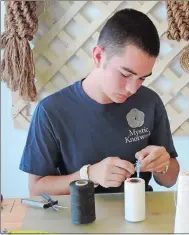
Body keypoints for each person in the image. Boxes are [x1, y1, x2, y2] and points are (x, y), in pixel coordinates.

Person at [19, 8, 180, 196]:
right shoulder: (51, 111)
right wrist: (87, 175)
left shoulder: (150, 102)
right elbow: (36, 189)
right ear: (98, 56)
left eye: (142, 78)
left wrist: (163, 165)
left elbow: (170, 180)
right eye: (125, 74)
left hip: (139, 216)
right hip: (77, 218)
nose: (132, 88)